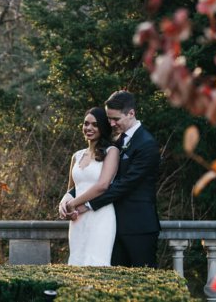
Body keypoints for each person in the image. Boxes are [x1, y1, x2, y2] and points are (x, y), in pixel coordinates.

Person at [62, 90, 161, 268]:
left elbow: (123, 185)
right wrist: (67, 199)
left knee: (142, 284)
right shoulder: (117, 142)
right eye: (109, 119)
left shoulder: (147, 144)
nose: (112, 123)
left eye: (116, 119)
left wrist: (87, 206)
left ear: (131, 113)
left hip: (138, 227)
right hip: (114, 225)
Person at [59, 106, 119, 266]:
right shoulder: (77, 156)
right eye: (86, 123)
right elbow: (71, 189)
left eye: (95, 124)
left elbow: (103, 185)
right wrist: (63, 205)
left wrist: (73, 204)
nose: (89, 128)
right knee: (77, 263)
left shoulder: (111, 152)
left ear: (103, 128)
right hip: (78, 219)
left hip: (100, 216)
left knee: (96, 263)